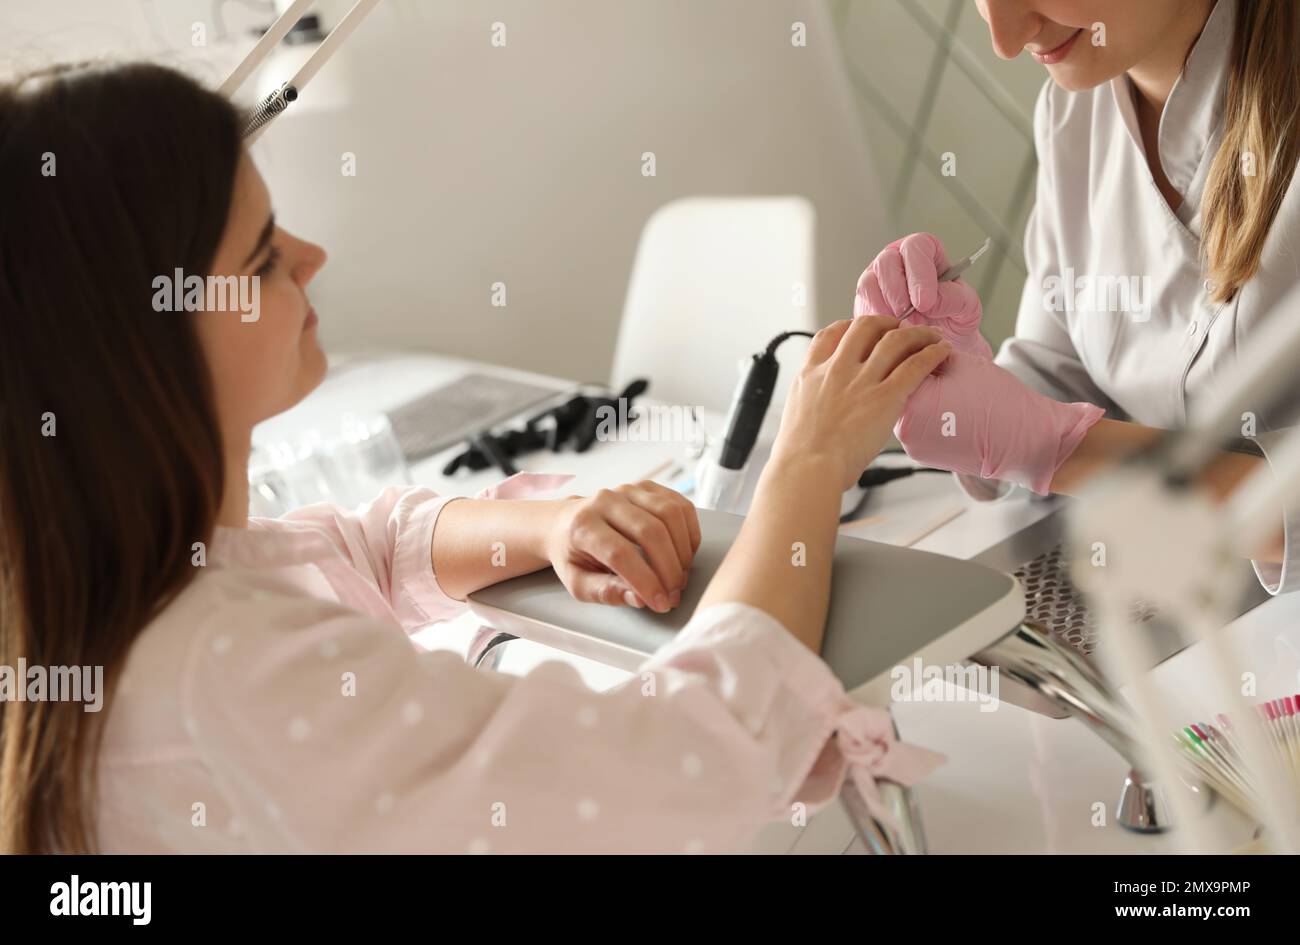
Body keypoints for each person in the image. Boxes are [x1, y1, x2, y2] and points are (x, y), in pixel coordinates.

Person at [0, 61, 949, 853]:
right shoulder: (230, 671)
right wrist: (809, 462)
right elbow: (689, 763)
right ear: (131, 354)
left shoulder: (98, 586)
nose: (313, 254)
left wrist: (549, 524)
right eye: (260, 259)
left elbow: (340, 552)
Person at [855, 0, 1300, 594]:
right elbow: (1062, 377)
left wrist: (1055, 446)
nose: (1007, 41)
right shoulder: (1074, 111)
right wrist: (959, 383)